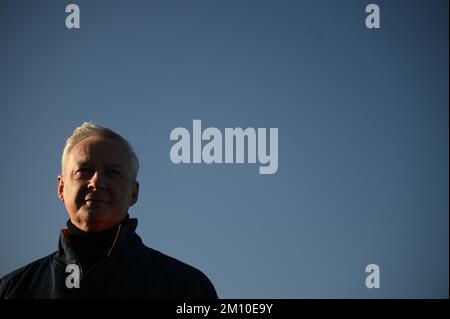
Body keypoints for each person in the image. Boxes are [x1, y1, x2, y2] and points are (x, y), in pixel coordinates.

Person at [0, 122, 218, 298]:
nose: (97, 182)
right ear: (61, 187)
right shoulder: (14, 289)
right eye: (84, 170)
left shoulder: (185, 287)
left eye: (113, 173)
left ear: (134, 193)